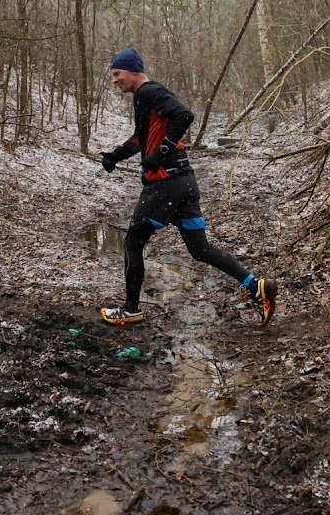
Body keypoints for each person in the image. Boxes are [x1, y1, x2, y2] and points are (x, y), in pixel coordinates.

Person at [98, 48, 277, 326]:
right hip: (184, 183)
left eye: (117, 74)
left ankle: (131, 309)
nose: (114, 80)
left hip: (166, 185)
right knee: (200, 249)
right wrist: (115, 156)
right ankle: (256, 286)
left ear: (133, 71)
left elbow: (184, 115)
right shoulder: (144, 98)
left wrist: (161, 152)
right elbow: (140, 138)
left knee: (133, 241)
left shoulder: (148, 91)